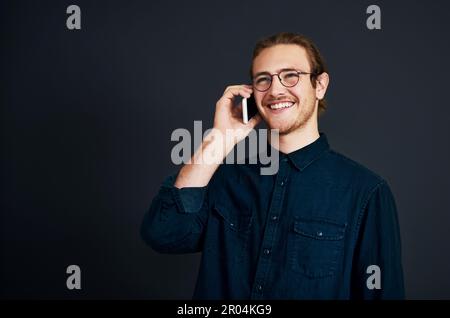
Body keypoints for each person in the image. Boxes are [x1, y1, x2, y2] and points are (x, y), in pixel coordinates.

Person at [141, 32, 405, 299]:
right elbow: (162, 234)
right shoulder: (222, 179)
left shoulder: (366, 192)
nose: (276, 90)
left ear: (320, 85)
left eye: (290, 75)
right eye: (263, 80)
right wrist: (220, 138)